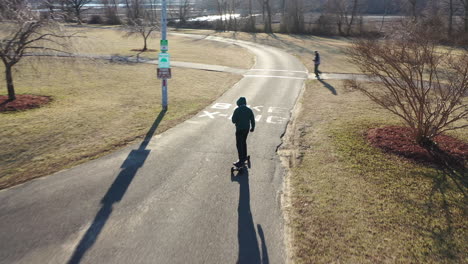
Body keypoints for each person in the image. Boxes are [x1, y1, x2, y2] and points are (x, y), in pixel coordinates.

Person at [231, 97, 255, 167]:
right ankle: (244, 156)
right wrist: (252, 127)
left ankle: (240, 160)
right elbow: (252, 120)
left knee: (239, 144)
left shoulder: (237, 110)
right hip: (246, 129)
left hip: (239, 129)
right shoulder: (249, 110)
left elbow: (233, 120)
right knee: (244, 142)